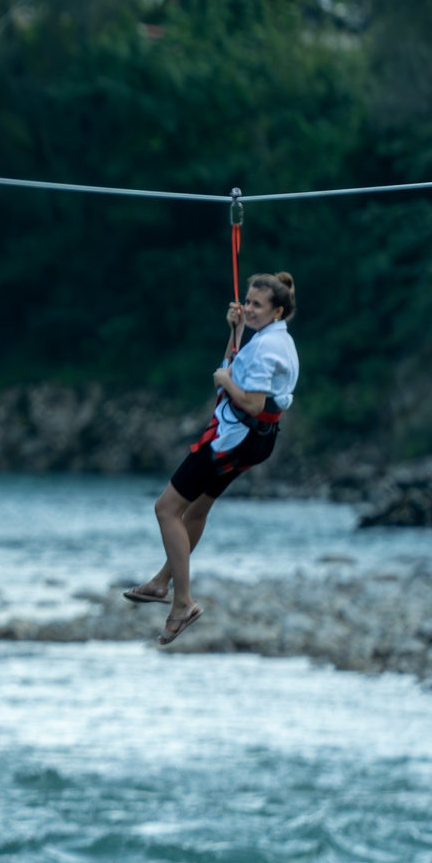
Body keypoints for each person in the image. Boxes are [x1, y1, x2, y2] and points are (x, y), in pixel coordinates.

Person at [127, 272, 300, 645]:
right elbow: (237, 363)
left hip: (230, 440)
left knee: (166, 509)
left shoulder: (268, 348)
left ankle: (182, 602)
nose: (249, 308)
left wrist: (223, 381)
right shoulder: (275, 339)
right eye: (248, 302)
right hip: (256, 440)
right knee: (197, 510)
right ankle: (160, 582)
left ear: (278, 310)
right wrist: (235, 330)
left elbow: (249, 399)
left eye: (257, 305)